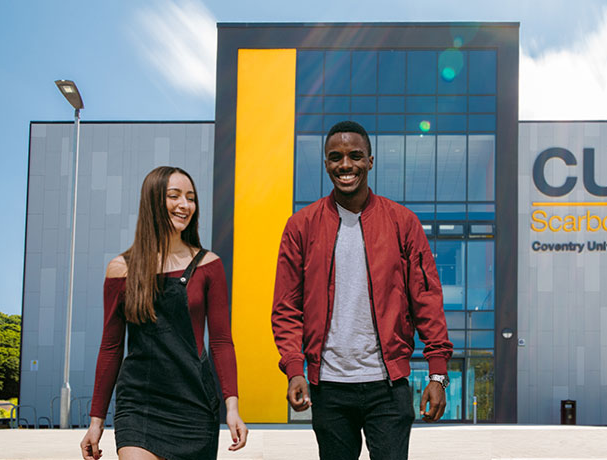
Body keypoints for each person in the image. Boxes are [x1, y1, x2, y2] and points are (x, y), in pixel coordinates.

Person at [271, 120, 453, 460]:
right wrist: (295, 369)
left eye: (355, 156)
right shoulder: (301, 226)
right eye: (335, 157)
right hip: (329, 388)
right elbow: (286, 307)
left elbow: (426, 299)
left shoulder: (402, 223)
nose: (345, 165)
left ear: (370, 160)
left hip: (389, 387)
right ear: (326, 163)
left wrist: (438, 374)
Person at [80, 166, 248, 460]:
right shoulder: (122, 269)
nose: (185, 205)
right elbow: (110, 347)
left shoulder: (209, 265)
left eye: (191, 198)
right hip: (139, 404)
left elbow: (221, 341)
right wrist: (96, 421)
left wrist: (232, 407)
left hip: (194, 404)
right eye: (175, 196)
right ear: (153, 201)